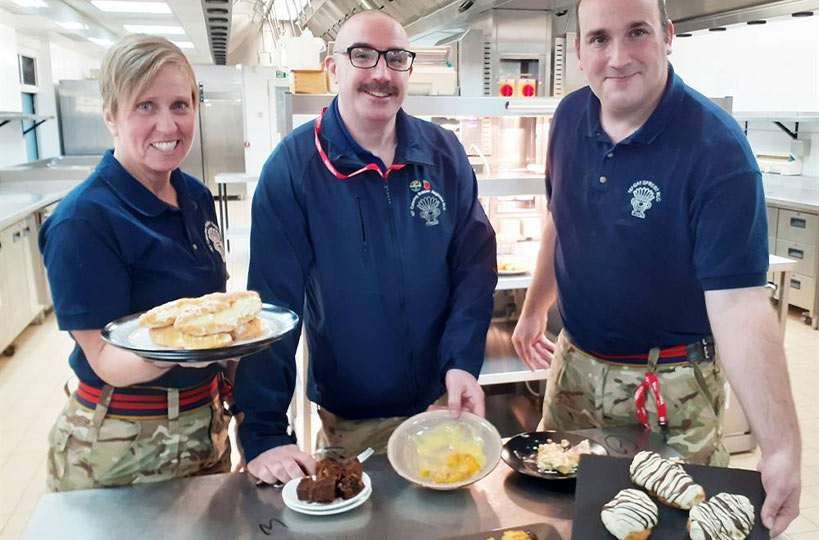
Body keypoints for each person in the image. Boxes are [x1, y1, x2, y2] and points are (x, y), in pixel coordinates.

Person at [511, 0, 800, 535]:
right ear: (578, 50)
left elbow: (739, 305)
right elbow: (560, 219)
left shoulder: (717, 151)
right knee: (566, 517)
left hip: (671, 386)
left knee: (674, 525)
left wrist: (781, 447)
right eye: (598, 38)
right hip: (574, 367)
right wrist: (534, 311)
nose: (617, 57)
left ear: (667, 36)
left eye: (636, 33)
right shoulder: (569, 117)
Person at [235, 10, 497, 485]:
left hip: (443, 407)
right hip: (350, 419)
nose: (381, 73)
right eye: (363, 56)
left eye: (396, 58)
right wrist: (264, 431)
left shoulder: (443, 155)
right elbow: (272, 307)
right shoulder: (295, 168)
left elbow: (474, 266)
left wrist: (462, 361)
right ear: (334, 68)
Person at [39, 35, 231, 491]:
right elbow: (105, 358)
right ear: (110, 115)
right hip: (118, 447)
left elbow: (215, 312)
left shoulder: (195, 197)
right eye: (145, 106)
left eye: (180, 105)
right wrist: (192, 349)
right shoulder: (84, 221)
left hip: (205, 427)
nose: (168, 125)